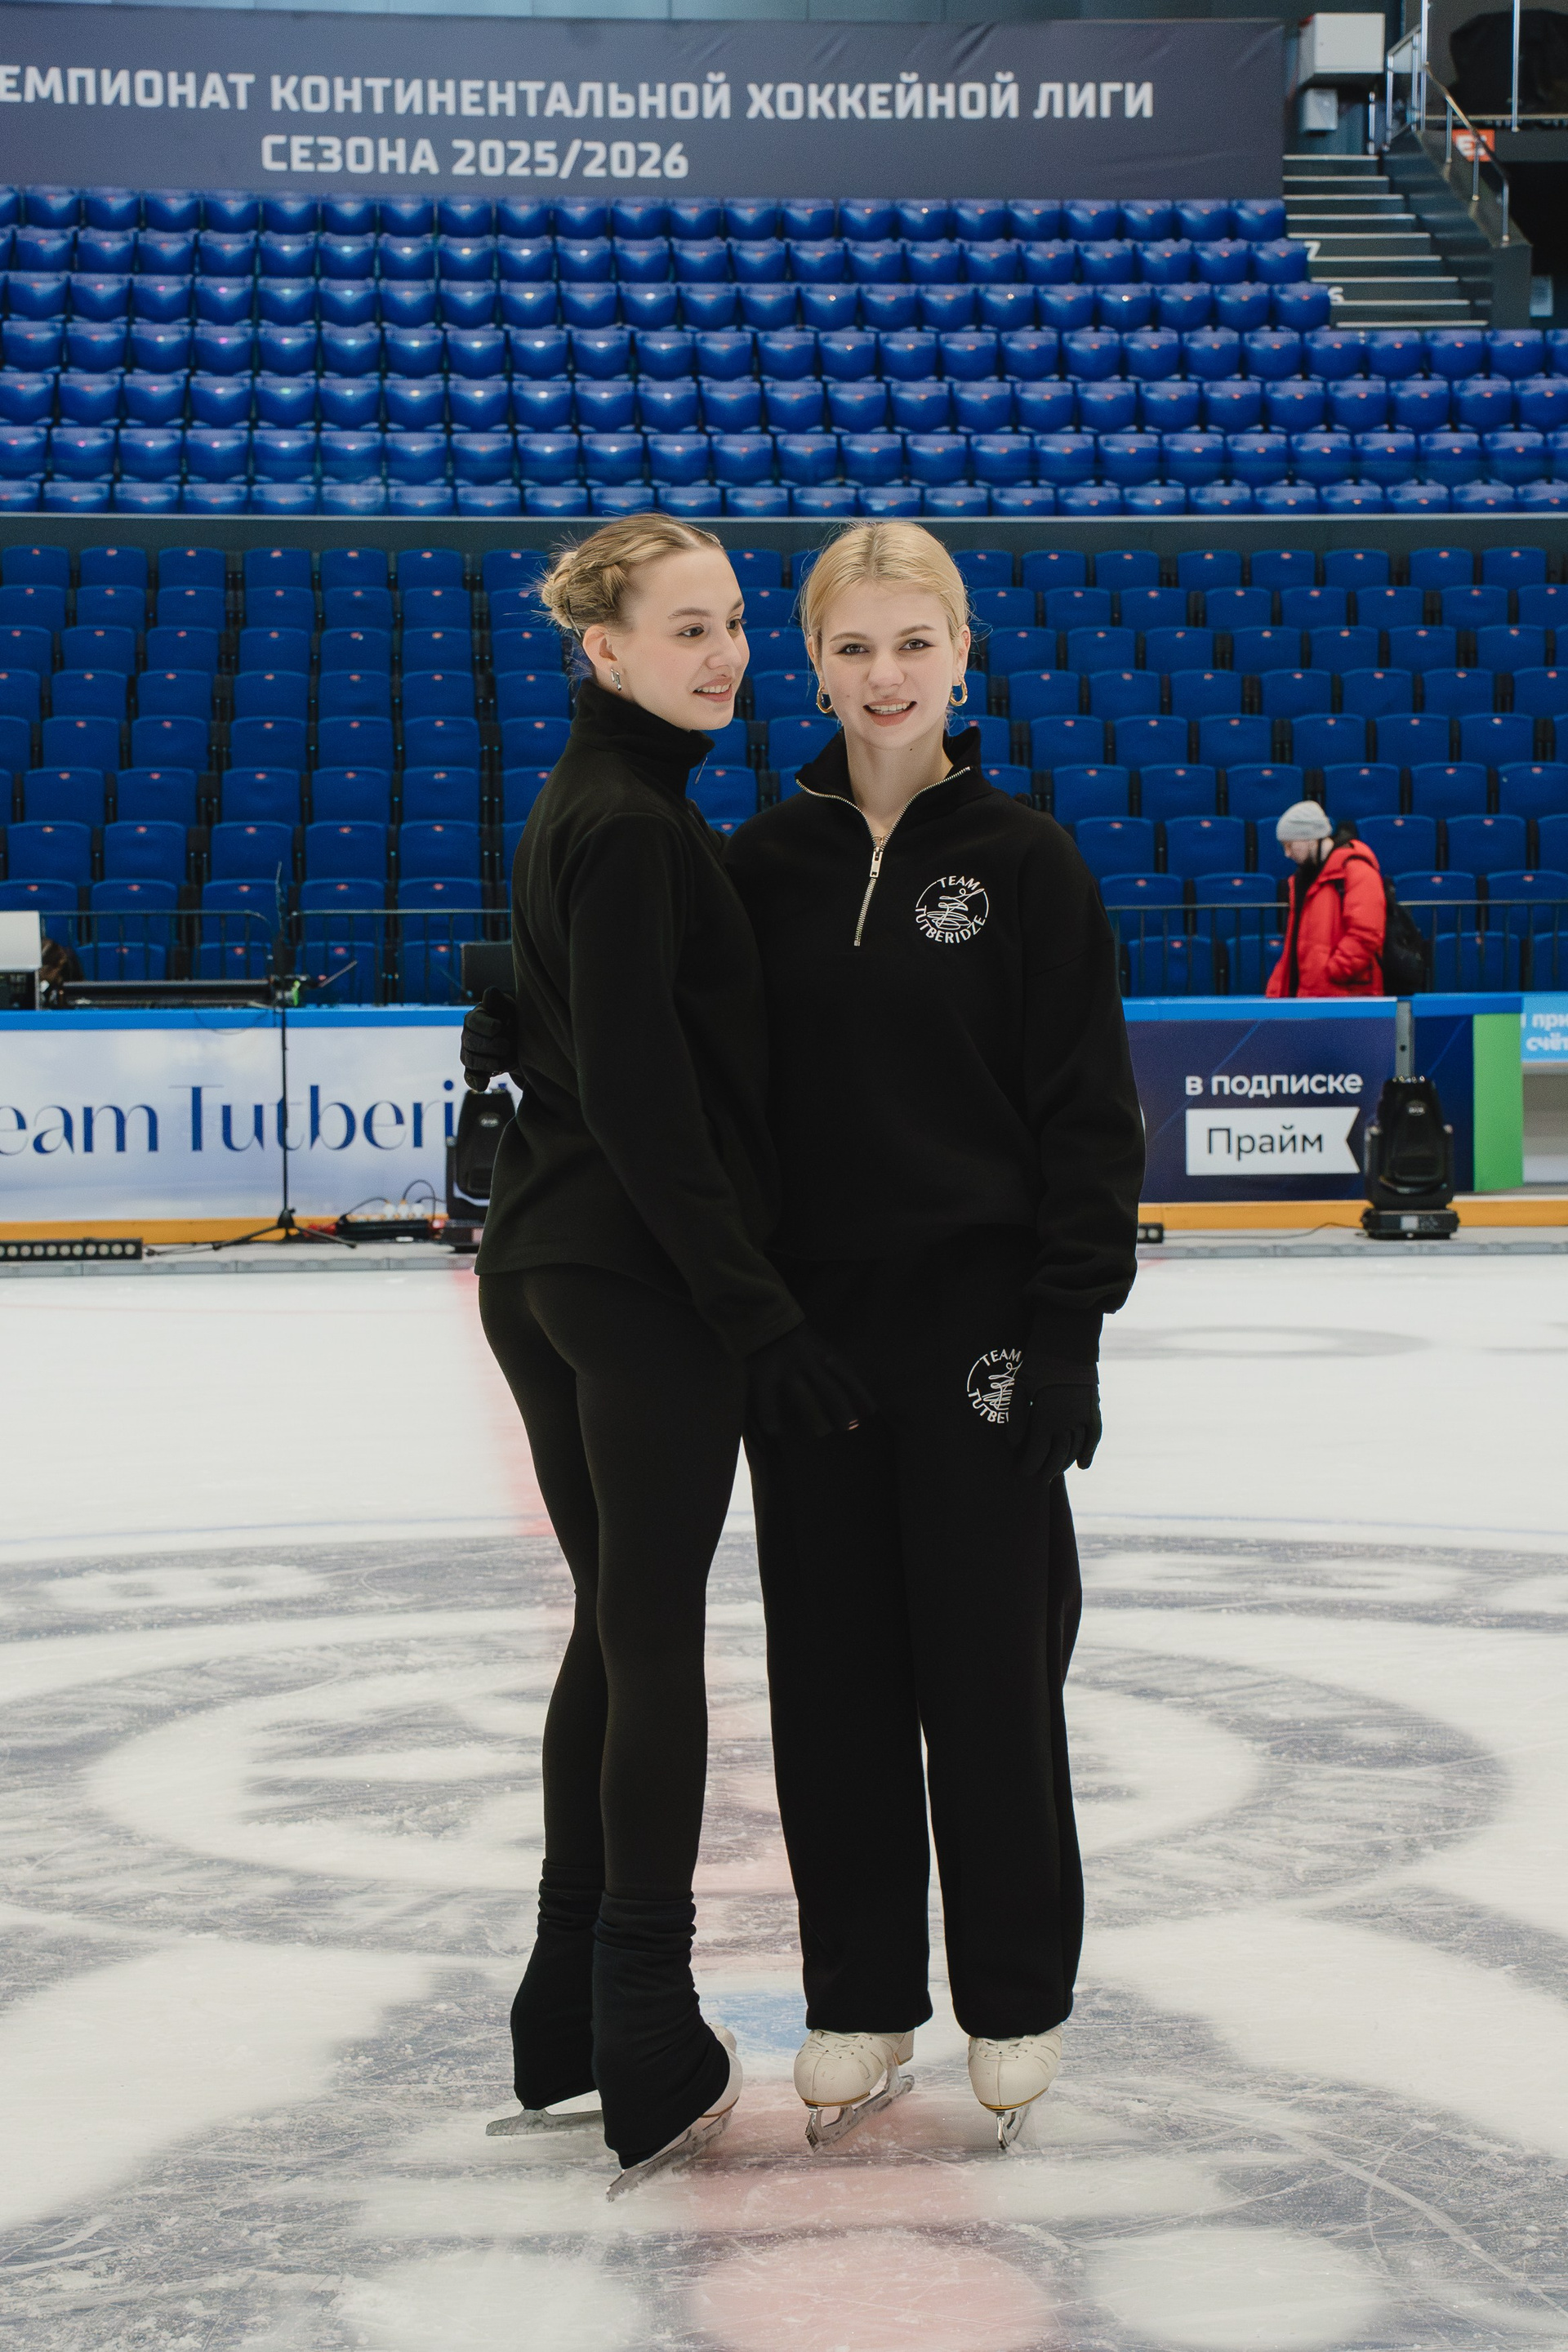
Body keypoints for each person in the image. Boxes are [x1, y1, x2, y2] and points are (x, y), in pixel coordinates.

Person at [723, 523, 1145, 2150]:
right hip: (816, 1342)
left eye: (914, 643)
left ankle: (1015, 1999)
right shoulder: (761, 869)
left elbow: (1087, 1120)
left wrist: (1067, 1336)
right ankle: (860, 2000)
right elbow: (729, 1120)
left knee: (989, 1676)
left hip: (980, 1333)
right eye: (854, 646)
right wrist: (763, 1324)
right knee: (830, 1678)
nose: (885, 675)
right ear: (813, 664)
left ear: (964, 656)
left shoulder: (1029, 864)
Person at [461, 516, 869, 2194]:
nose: (723, 655)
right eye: (685, 629)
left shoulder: (604, 802)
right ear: (604, 649)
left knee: (614, 1632)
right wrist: (754, 1308)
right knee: (649, 1639)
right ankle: (643, 2018)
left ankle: (567, 2003)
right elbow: (642, 1095)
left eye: (732, 625)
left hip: (551, 1261)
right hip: (628, 1280)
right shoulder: (631, 824)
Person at [1267, 802, 1387, 997]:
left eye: (1290, 845)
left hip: (1345, 997)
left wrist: (1335, 971)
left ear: (1310, 838)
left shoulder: (1356, 869)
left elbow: (1366, 933)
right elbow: (1294, 945)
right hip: (1313, 994)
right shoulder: (1302, 879)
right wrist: (1277, 990)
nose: (1287, 853)